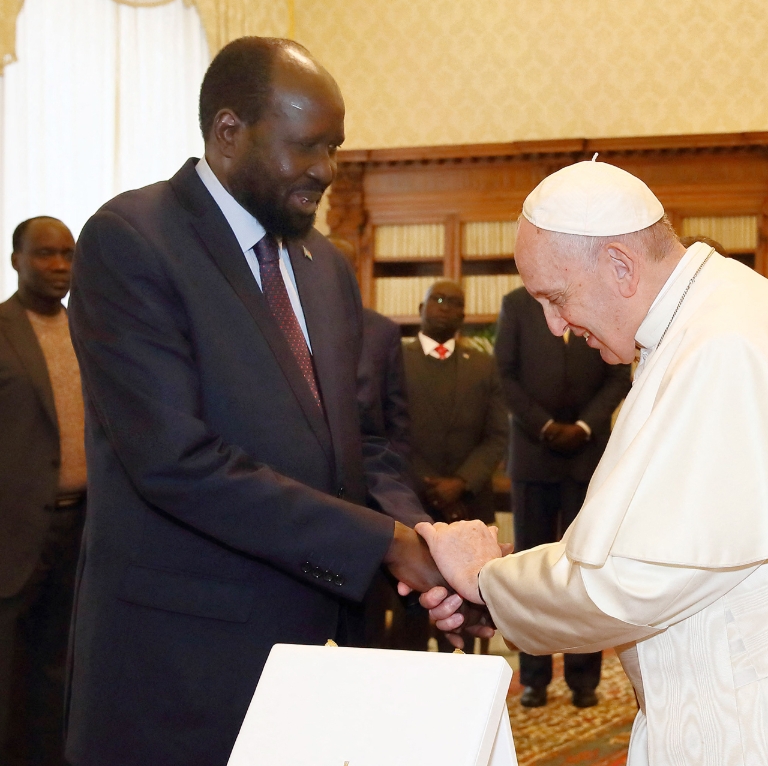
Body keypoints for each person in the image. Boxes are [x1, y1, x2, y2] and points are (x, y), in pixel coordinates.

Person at [414, 161, 768, 765]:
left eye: (555, 299)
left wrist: (485, 581)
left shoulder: (720, 345)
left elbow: (631, 583)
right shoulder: (714, 315)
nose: (555, 326)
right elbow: (651, 545)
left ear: (620, 266)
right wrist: (505, 581)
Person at [64, 37, 484, 765]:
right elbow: (176, 463)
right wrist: (385, 545)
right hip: (184, 665)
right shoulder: (132, 241)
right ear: (230, 132)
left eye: (337, 147)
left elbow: (366, 445)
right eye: (308, 147)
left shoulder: (327, 267)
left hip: (324, 652)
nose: (327, 169)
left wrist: (425, 538)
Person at [494, 277, 631, 708]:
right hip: (534, 455)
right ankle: (533, 678)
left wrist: (585, 427)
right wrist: (547, 427)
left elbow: (618, 374)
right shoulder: (516, 304)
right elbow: (505, 376)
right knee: (531, 570)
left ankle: (583, 681)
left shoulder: (598, 294)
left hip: (589, 457)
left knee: (585, 569)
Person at [1, 217, 84, 765]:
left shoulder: (88, 329)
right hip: (13, 531)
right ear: (16, 259)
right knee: (7, 670)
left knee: (60, 666)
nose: (58, 267)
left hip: (81, 525)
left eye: (67, 255)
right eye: (45, 255)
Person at [395, 279, 507, 654]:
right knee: (410, 614)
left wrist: (461, 483)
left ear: (463, 315)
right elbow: (385, 433)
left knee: (470, 617)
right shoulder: (394, 359)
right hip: (410, 504)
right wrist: (428, 488)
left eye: (454, 303)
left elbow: (496, 436)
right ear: (420, 307)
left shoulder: (484, 365)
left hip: (469, 504)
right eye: (437, 300)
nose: (445, 307)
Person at [329, 236, 423, 650]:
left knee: (365, 636)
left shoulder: (380, 331)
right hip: (303, 513)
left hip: (371, 510)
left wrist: (405, 518)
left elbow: (391, 427)